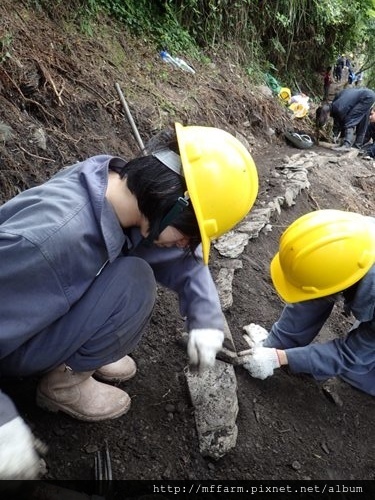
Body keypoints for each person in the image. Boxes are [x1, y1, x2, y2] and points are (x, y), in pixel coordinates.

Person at [0, 122, 259, 478]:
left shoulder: (117, 192)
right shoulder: (51, 241)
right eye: (189, 234)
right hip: (11, 342)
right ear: (170, 200)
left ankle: (78, 354)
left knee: (133, 272)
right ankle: (62, 384)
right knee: (135, 282)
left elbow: (182, 266)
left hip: (29, 305)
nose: (187, 245)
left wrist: (206, 317)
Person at [242, 209, 375, 398]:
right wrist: (273, 346)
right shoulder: (348, 241)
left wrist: (281, 358)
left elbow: (351, 355)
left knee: (358, 371)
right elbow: (314, 289)